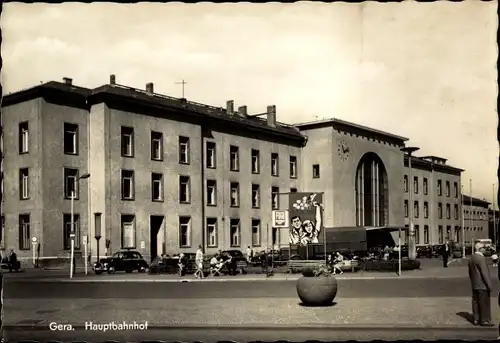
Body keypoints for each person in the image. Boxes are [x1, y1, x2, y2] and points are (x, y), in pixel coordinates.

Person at [468, 241, 494, 326]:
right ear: (480, 249)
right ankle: (485, 320)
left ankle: (476, 319)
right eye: (484, 248)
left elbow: (470, 272)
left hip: (474, 284)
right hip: (482, 285)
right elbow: (485, 273)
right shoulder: (481, 259)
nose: (485, 250)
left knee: (475, 302)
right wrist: (489, 285)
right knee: (484, 303)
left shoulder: (471, 258)